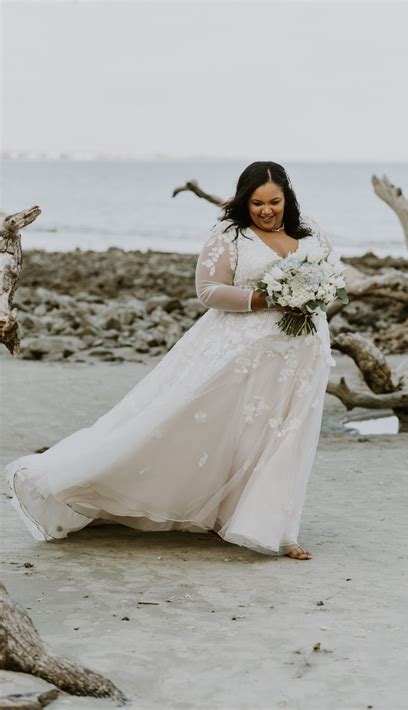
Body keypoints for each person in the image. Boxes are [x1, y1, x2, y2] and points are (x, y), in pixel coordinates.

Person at [4, 161, 338, 561]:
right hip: (242, 353)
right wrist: (265, 299)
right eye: (257, 203)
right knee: (228, 436)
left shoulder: (311, 232)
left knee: (289, 437)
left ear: (288, 198)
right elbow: (208, 291)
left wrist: (314, 297)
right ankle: (87, 483)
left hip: (303, 355)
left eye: (275, 202)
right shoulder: (231, 234)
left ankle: (279, 530)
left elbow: (333, 279)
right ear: (244, 202)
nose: (267, 210)